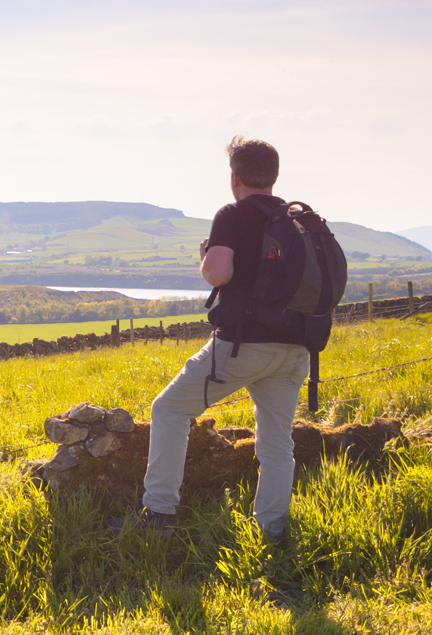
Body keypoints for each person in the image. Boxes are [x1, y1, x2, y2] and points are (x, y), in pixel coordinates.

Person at [108, 136, 309, 541]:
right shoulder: (298, 221)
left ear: (234, 176)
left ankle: (159, 514)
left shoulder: (232, 214)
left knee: (168, 411)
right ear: (274, 176)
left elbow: (217, 274)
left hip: (242, 345)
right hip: (295, 347)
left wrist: (207, 256)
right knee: (276, 440)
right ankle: (270, 532)